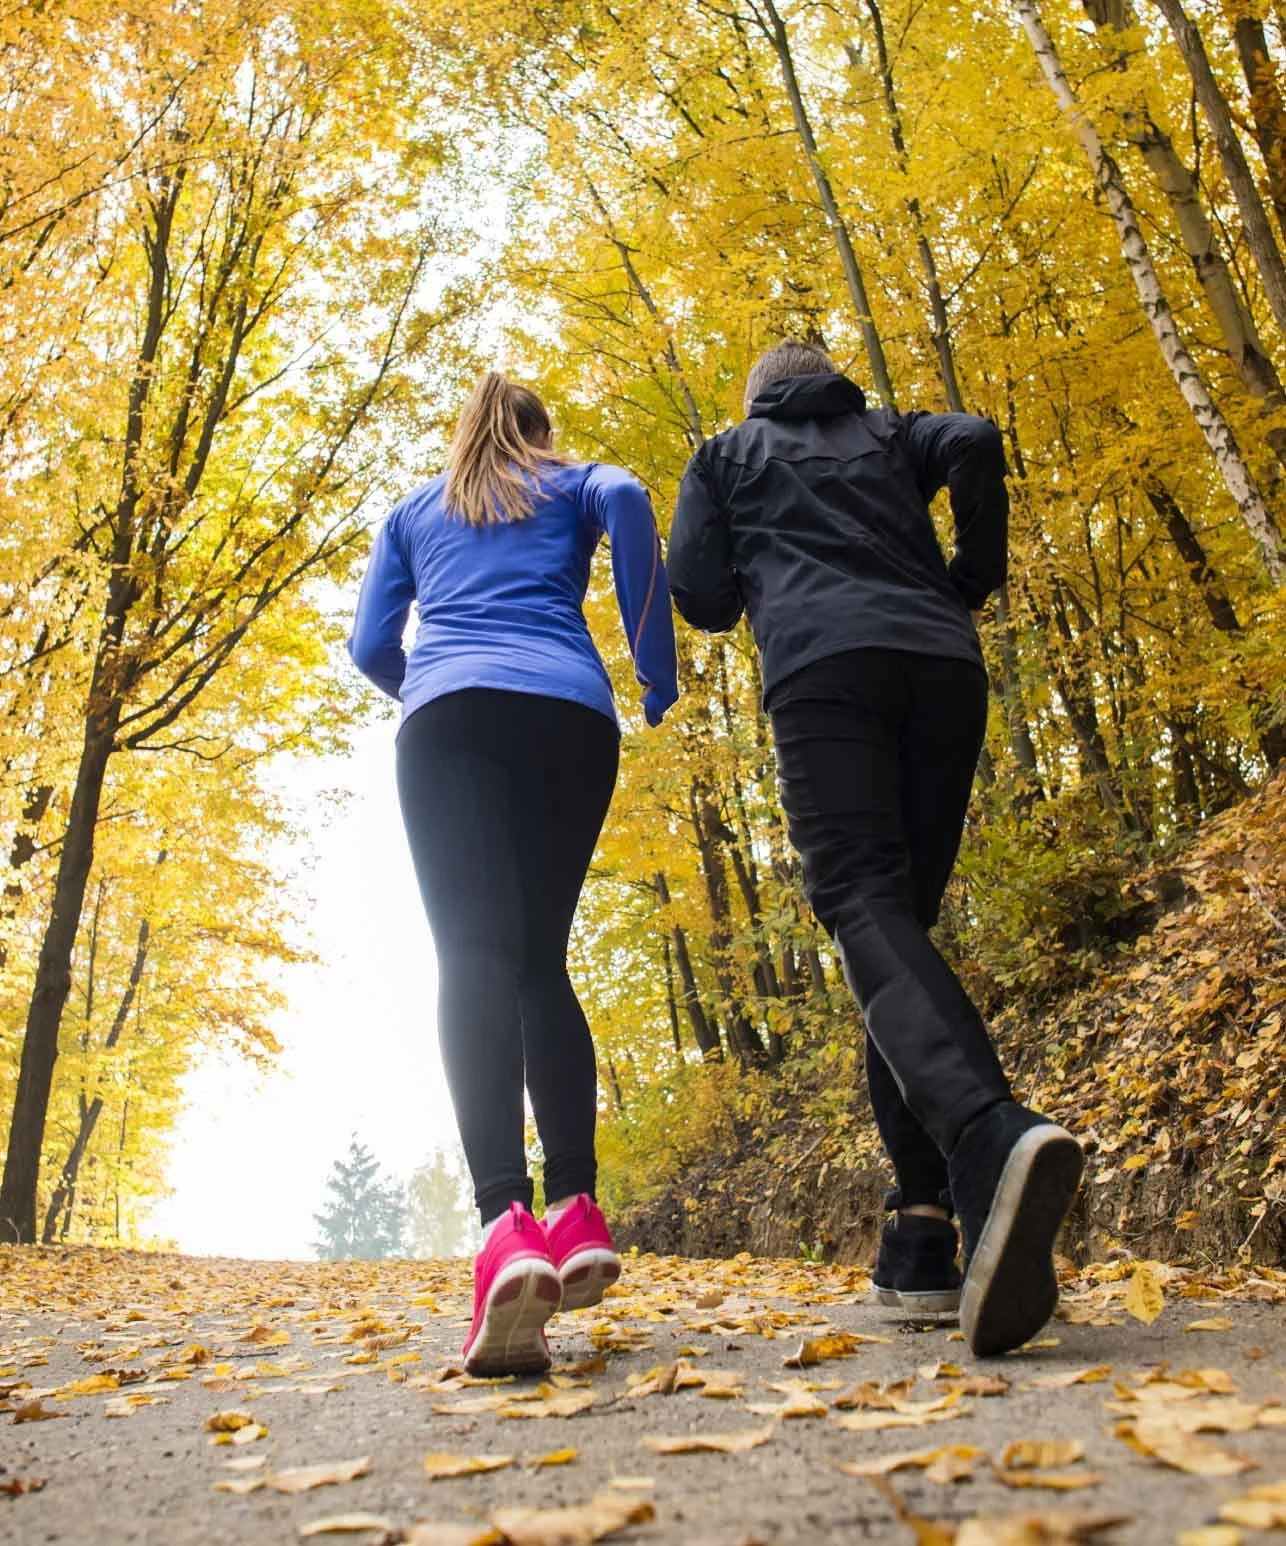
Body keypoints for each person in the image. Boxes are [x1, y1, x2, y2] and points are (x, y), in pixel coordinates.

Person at [666, 340, 1083, 1357]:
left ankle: (989, 1134)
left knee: (860, 904)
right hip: (942, 668)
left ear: (754, 395)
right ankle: (923, 1233)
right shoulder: (891, 430)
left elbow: (700, 594)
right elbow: (977, 438)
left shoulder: (726, 455)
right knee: (891, 935)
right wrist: (967, 578)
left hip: (824, 670)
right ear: (829, 382)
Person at [348, 372, 678, 1375]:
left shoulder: (414, 508)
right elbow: (626, 501)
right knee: (539, 960)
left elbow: (368, 644)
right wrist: (653, 666)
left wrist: (434, 690)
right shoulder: (576, 480)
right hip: (569, 716)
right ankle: (577, 1207)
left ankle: (503, 1220)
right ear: (540, 431)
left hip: (449, 717)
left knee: (472, 958)